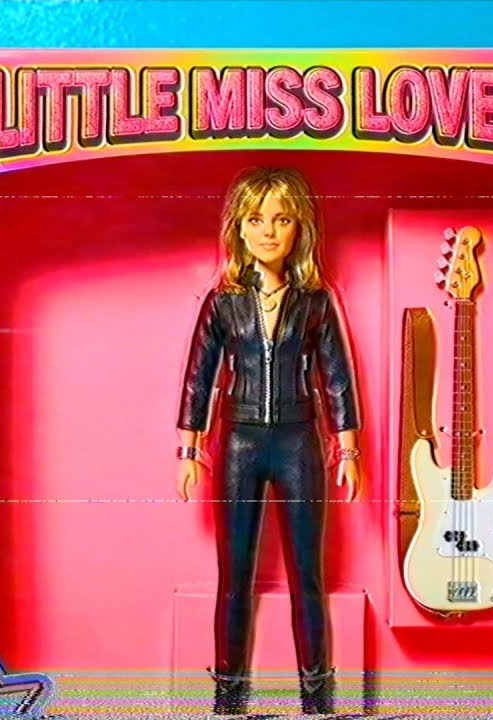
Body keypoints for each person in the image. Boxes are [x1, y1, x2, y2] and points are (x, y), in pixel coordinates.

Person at [176, 167, 363, 716]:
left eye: (281, 220)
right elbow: (198, 377)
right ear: (238, 227)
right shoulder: (223, 301)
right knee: (234, 577)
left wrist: (348, 449)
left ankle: (318, 700)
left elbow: (337, 377)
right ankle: (228, 699)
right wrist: (189, 449)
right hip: (239, 444)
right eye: (256, 220)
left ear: (299, 227)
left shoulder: (315, 300)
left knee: (308, 576)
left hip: (299, 442)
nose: (268, 232)